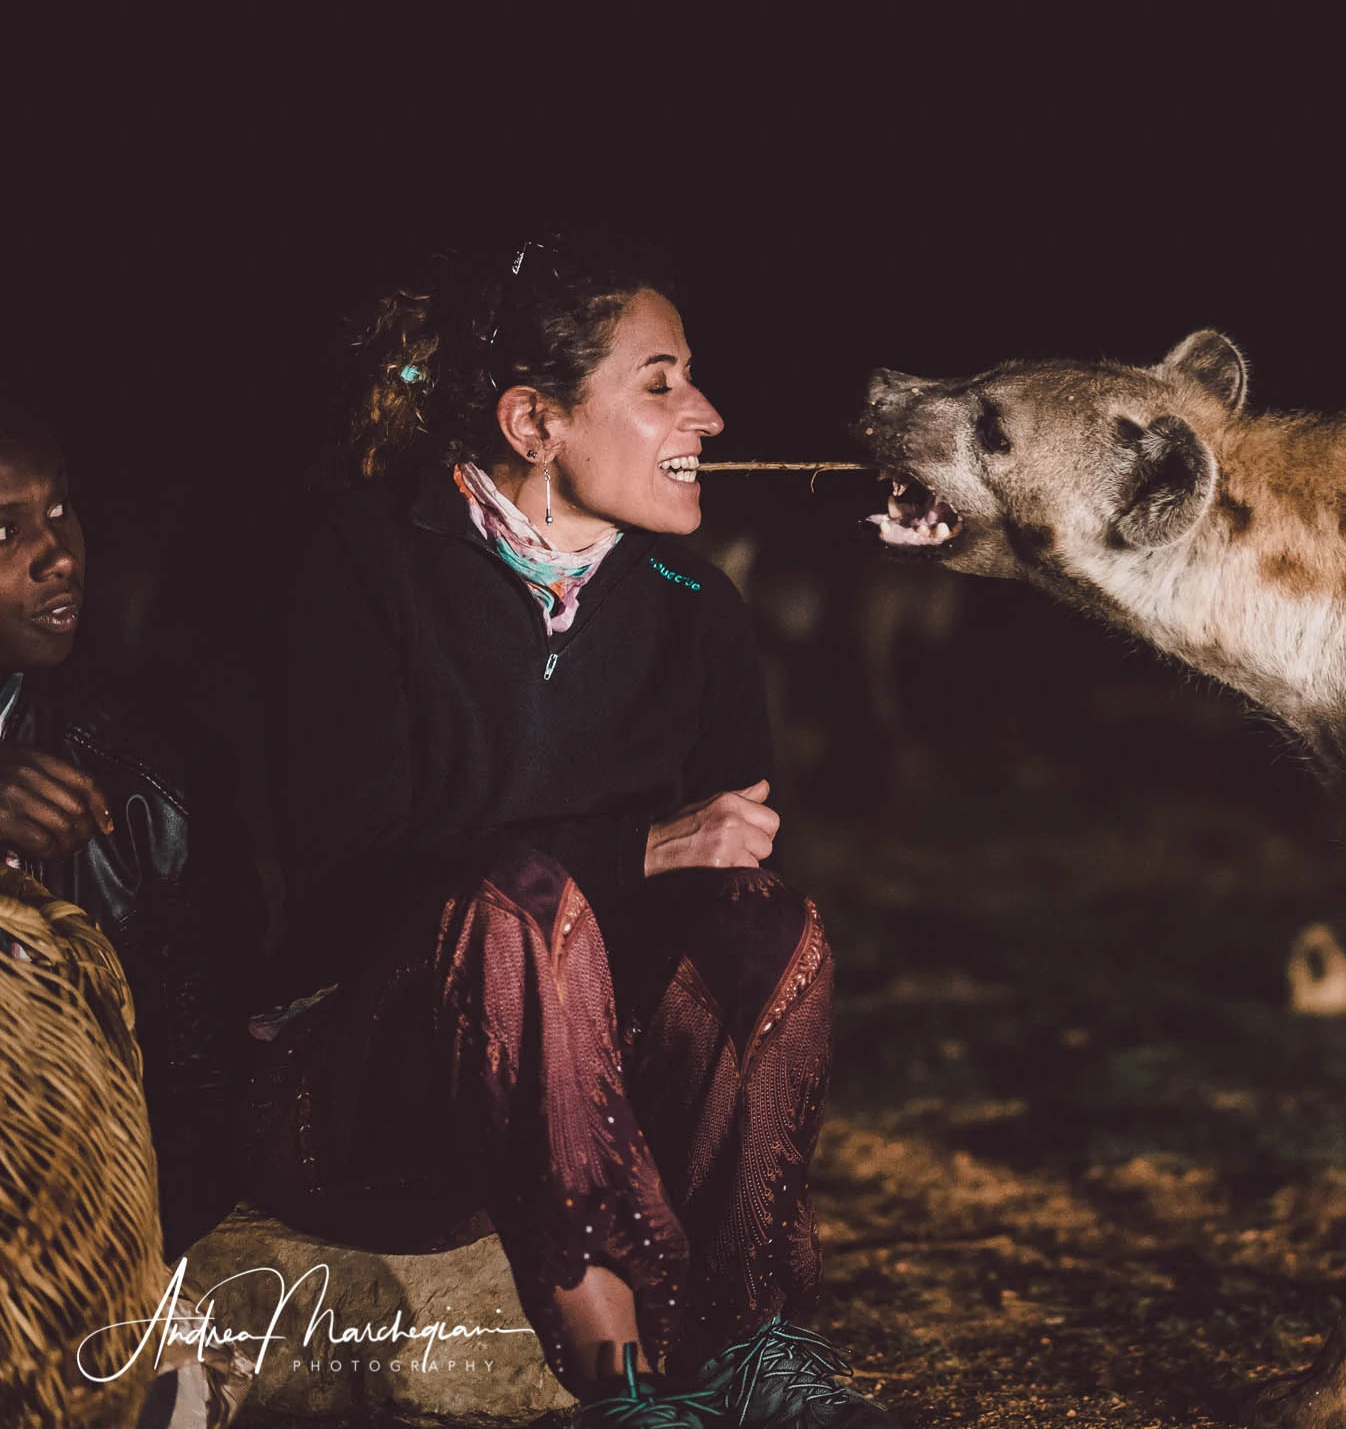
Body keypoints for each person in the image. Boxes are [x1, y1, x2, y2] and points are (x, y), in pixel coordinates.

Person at [249, 240, 898, 1428]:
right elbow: (349, 879)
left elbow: (718, 911)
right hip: (368, 1087)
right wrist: (633, 850)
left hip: (587, 1098)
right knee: (518, 907)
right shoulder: (366, 563)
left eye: (692, 379)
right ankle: (621, 1382)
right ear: (533, 421)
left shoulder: (695, 610)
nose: (704, 412)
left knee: (770, 923)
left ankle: (742, 1342)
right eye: (659, 384)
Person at [0, 403, 262, 1261]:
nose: (62, 556)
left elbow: (195, 1080)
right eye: (4, 530)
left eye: (62, 509)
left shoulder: (133, 776)